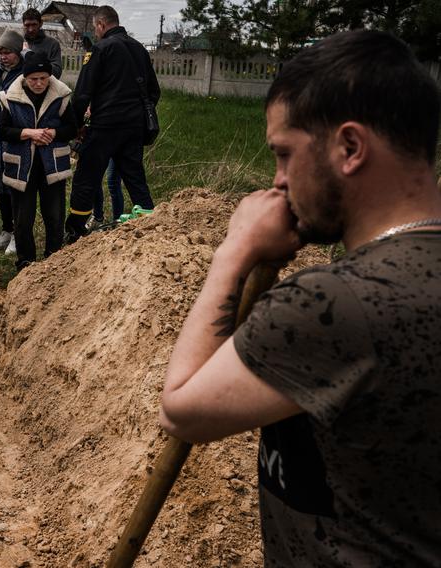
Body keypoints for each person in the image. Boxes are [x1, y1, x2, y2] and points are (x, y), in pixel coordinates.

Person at [159, 30, 441, 566]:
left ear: (350, 148)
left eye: (286, 155)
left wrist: (233, 252)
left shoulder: (336, 303)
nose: (278, 180)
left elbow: (183, 409)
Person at [64, 5, 159, 242]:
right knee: (135, 177)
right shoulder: (140, 50)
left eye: (96, 29)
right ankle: (152, 226)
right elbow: (154, 92)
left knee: (87, 177)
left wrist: (75, 125)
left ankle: (75, 231)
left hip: (104, 127)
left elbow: (83, 93)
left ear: (101, 25)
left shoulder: (100, 49)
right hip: (134, 129)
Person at [0, 51, 77, 271]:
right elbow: (3, 131)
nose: (39, 83)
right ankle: (26, 263)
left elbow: (71, 128)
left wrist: (53, 133)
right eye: (34, 79)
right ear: (25, 77)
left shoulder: (61, 96)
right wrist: (28, 133)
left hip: (52, 166)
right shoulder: (10, 97)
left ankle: (54, 260)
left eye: (44, 78)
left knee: (54, 216)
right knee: (23, 219)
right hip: (22, 167)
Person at [0, 29, 25, 256]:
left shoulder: (24, 72)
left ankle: (19, 233)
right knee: (0, 186)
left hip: (13, 136)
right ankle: (7, 230)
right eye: (0, 52)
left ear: (17, 52)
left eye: (7, 52)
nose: (3, 56)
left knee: (13, 187)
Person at [21, 8, 62, 79]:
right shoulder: (19, 42)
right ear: (23, 25)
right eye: (27, 25)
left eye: (34, 25)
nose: (30, 29)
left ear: (41, 23)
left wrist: (30, 56)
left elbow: (57, 73)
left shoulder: (52, 44)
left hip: (43, 87)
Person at [88, 159, 124, 228]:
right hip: (99, 149)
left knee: (113, 182)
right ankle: (97, 218)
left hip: (116, 149)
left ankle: (117, 221)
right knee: (95, 177)